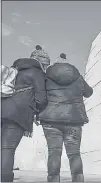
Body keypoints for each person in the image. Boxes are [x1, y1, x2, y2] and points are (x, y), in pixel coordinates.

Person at [39, 53, 93, 182]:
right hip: (73, 120)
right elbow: (89, 92)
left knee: (54, 152)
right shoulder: (77, 77)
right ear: (68, 64)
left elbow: (40, 95)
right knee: (74, 153)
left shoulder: (46, 76)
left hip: (50, 120)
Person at [1, 45, 50, 182]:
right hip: (17, 114)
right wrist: (38, 111)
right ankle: (4, 179)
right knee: (7, 148)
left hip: (2, 109)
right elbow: (41, 98)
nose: (45, 68)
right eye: (46, 65)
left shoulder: (14, 70)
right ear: (42, 62)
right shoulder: (37, 72)